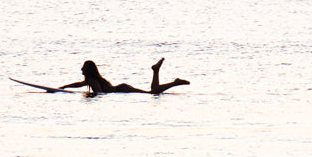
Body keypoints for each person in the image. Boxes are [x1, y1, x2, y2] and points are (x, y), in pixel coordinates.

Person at [12, 56, 189, 95]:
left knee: (153, 93)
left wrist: (60, 89)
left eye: (83, 68)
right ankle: (172, 82)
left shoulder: (92, 80)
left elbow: (98, 92)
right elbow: (77, 84)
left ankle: (157, 72)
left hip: (121, 91)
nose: (81, 70)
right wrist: (62, 88)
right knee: (153, 93)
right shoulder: (92, 79)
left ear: (87, 71)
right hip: (122, 88)